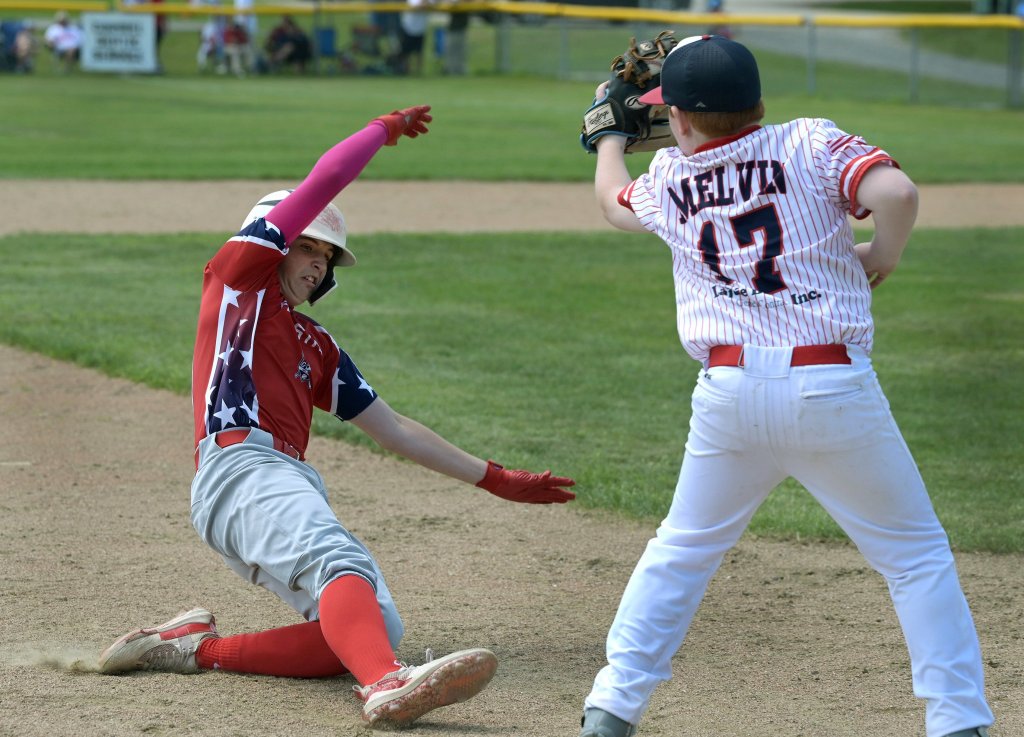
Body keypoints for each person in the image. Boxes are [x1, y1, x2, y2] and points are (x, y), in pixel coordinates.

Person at [95, 106, 576, 730]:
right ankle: (385, 685)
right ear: (272, 242)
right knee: (338, 566)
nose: (320, 263)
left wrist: (495, 478)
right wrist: (382, 131)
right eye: (309, 247)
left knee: (369, 627)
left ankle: (189, 649)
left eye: (329, 256)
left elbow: (394, 427)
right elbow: (322, 181)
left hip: (278, 479)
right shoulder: (238, 281)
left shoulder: (316, 346)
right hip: (240, 467)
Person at [578, 35, 993, 737]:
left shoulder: (670, 178)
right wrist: (881, 256)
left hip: (728, 393)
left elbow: (616, 204)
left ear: (675, 119)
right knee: (915, 557)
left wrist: (612, 140)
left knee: (682, 549)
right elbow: (895, 190)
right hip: (831, 384)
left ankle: (612, 707)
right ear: (760, 104)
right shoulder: (807, 140)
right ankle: (956, 722)